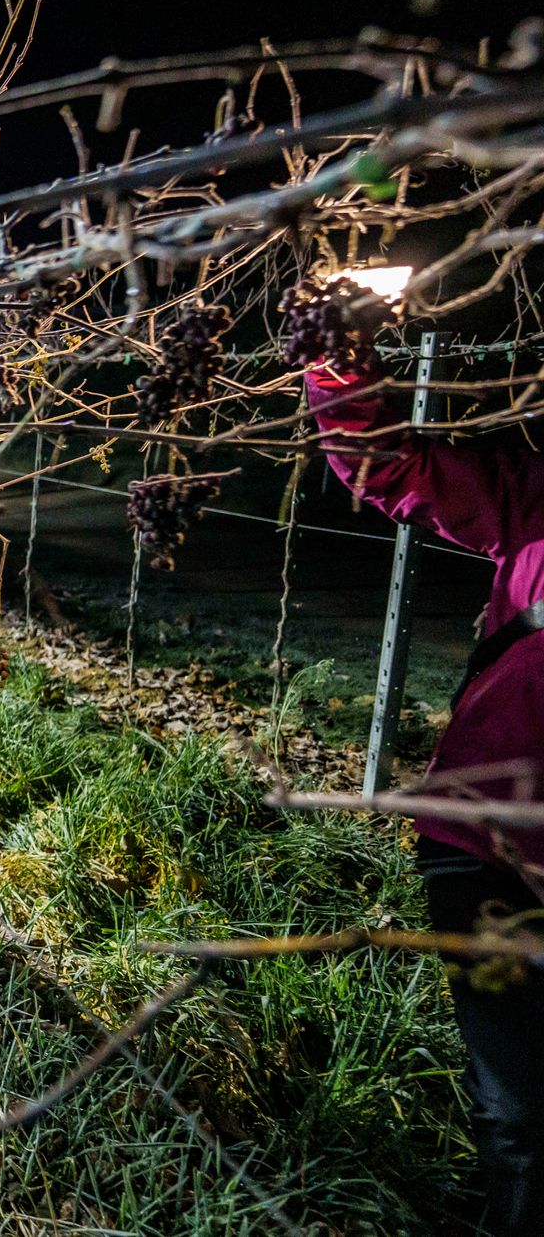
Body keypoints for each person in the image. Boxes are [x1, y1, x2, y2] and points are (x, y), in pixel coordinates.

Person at [307, 356, 543, 1236]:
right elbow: (394, 465)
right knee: (520, 1112)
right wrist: (337, 359)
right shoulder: (534, 502)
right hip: (490, 849)